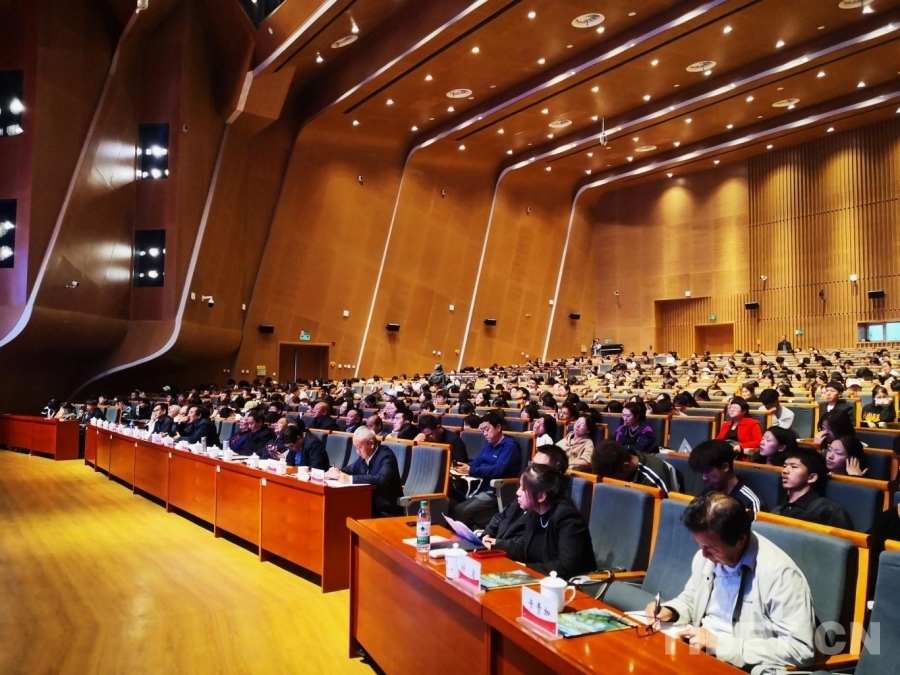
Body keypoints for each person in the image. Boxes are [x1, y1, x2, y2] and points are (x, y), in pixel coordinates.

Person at [645, 492, 816, 671]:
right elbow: (691, 598)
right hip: (699, 654)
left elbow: (800, 649)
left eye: (711, 548)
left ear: (740, 539)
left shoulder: (779, 574)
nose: (704, 554)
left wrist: (721, 645)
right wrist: (671, 611)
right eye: (700, 545)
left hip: (741, 666)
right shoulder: (705, 558)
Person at [488, 464, 596, 580]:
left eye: (523, 489)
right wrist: (496, 545)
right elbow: (525, 547)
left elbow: (566, 566)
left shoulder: (568, 518)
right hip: (543, 579)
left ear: (541, 496)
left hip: (573, 583)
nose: (517, 493)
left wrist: (526, 568)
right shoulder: (534, 513)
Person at [482, 445, 568, 546]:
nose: (530, 470)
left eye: (537, 467)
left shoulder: (546, 506)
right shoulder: (526, 494)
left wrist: (498, 544)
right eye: (532, 464)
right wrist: (488, 533)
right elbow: (502, 516)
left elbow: (527, 545)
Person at [450, 412, 521, 529]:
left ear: (498, 427)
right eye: (482, 430)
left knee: (460, 510)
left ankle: (465, 534)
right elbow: (477, 462)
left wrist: (471, 470)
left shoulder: (509, 446)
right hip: (480, 485)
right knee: (451, 499)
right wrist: (463, 467)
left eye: (487, 429)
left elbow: (497, 470)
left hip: (495, 490)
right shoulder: (490, 444)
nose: (485, 434)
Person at [325, 427, 403, 516]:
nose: (357, 452)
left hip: (385, 511)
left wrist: (350, 479)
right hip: (367, 504)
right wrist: (337, 472)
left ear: (371, 443)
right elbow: (351, 469)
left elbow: (381, 479)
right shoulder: (366, 455)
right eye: (356, 448)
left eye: (359, 448)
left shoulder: (386, 456)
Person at [772, 448, 853, 529]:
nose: (785, 471)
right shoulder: (778, 510)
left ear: (812, 477)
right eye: (784, 466)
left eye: (794, 467)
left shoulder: (829, 511)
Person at [689, 440, 767, 517]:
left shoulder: (751, 503)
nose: (704, 478)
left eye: (707, 471)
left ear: (725, 467)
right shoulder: (707, 493)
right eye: (702, 472)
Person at [590, 440, 672, 496]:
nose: (611, 484)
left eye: (611, 480)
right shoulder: (627, 456)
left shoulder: (654, 481)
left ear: (626, 466)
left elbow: (665, 511)